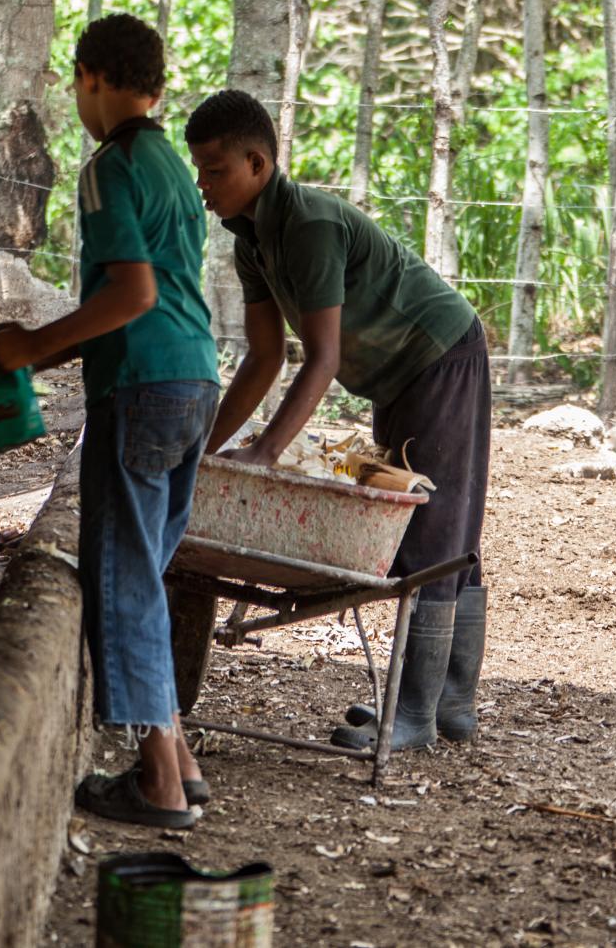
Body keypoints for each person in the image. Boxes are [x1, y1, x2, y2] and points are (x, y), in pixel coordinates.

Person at [183, 89, 492, 753]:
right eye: (199, 171)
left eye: (215, 170)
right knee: (426, 516)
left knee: (432, 529)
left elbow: (318, 360)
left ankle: (415, 715)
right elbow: (265, 357)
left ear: (258, 164)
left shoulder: (309, 226)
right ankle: (448, 704)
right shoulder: (252, 245)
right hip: (398, 373)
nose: (202, 185)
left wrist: (265, 454)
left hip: (439, 355)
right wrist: (208, 449)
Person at [0, 14, 221, 830]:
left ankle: (157, 782)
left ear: (90, 77)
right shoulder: (172, 163)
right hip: (197, 378)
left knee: (120, 576)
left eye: (75, 85)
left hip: (143, 381)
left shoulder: (110, 166)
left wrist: (30, 348)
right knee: (145, 575)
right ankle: (181, 762)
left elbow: (131, 296)